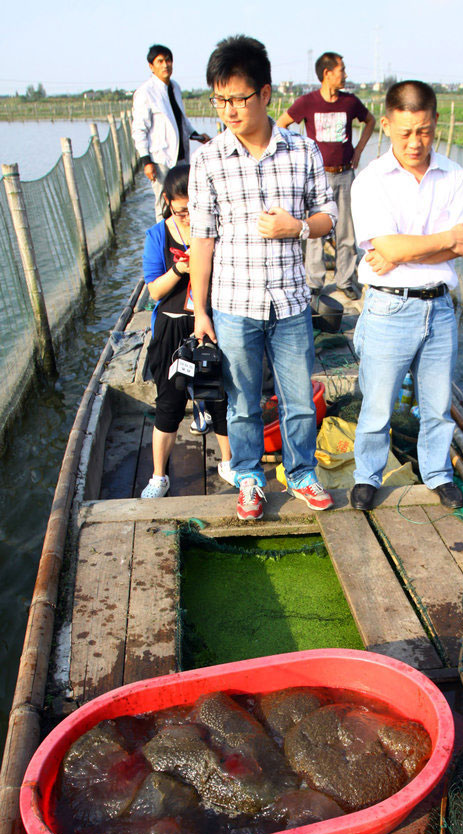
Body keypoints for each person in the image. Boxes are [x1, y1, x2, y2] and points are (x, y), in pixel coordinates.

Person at [188, 35, 338, 522]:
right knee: (242, 402)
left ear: (266, 93)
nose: (229, 109)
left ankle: (301, 474)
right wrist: (201, 311)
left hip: (292, 303)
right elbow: (203, 241)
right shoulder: (209, 160)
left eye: (238, 98)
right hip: (234, 304)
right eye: (220, 99)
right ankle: (249, 477)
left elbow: (328, 217)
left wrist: (296, 227)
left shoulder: (302, 150)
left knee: (298, 400)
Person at [349, 80, 463, 512]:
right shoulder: (371, 181)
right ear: (385, 125)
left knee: (438, 404)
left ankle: (437, 473)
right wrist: (435, 244)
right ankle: (367, 476)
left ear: (435, 122)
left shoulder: (455, 175)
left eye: (423, 130)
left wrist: (403, 250)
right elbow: (392, 250)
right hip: (388, 305)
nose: (415, 142)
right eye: (404, 133)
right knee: (378, 404)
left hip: (439, 307)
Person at [140, 165, 233, 499]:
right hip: (172, 324)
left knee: (218, 395)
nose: (189, 217)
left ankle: (228, 461)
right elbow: (154, 290)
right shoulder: (157, 236)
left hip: (208, 320)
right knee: (169, 401)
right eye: (181, 211)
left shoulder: (215, 229)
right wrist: (181, 266)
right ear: (167, 202)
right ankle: (158, 476)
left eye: (195, 208)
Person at [277, 53, 374, 300]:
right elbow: (281, 124)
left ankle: (345, 280)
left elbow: (370, 121)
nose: (346, 74)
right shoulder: (307, 102)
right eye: (342, 70)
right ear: (327, 73)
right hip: (316, 177)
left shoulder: (350, 102)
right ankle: (314, 282)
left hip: (344, 174)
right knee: (313, 230)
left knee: (346, 230)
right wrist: (296, 154)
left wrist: (359, 149)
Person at [132, 44, 211, 222]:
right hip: (161, 158)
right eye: (160, 61)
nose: (165, 65)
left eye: (168, 60)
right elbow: (139, 130)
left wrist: (197, 136)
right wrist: (146, 161)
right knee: (164, 201)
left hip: (181, 156)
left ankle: (184, 238)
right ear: (151, 66)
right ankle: (163, 241)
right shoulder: (145, 92)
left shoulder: (175, 87)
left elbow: (181, 120)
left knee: (185, 197)